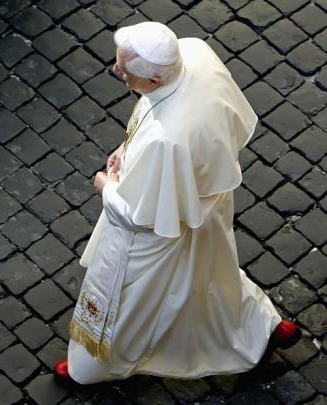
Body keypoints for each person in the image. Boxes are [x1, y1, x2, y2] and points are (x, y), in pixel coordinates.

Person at [53, 22, 301, 384]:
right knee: (214, 272)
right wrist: (127, 149)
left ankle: (93, 368)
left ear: (153, 82)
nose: (115, 70)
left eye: (124, 70)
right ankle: (261, 326)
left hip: (164, 226)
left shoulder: (165, 142)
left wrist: (105, 185)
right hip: (209, 200)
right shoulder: (193, 52)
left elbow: (139, 217)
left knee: (133, 300)